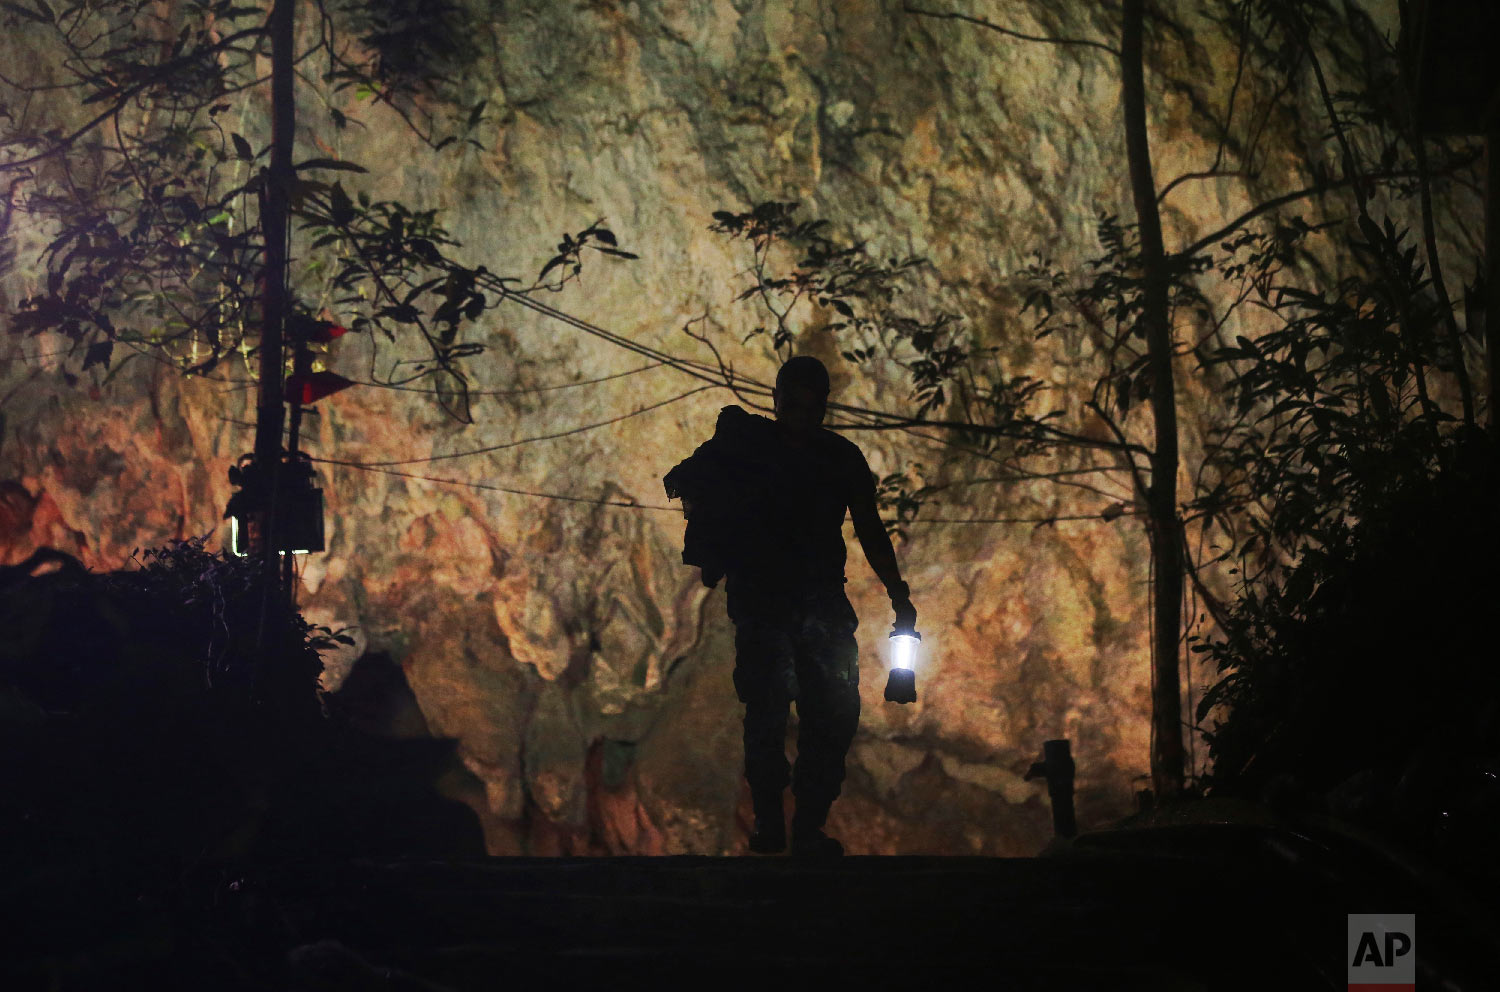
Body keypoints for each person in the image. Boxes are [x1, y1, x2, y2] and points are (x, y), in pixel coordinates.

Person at [664, 356, 917, 857]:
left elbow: (869, 526)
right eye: (793, 402)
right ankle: (767, 823)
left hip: (821, 601)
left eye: (812, 404)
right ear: (776, 400)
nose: (802, 413)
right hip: (763, 601)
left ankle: (807, 827)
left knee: (835, 713)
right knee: (767, 712)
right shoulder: (747, 449)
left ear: (823, 406)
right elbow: (685, 480)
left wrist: (898, 594)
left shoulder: (839, 457)